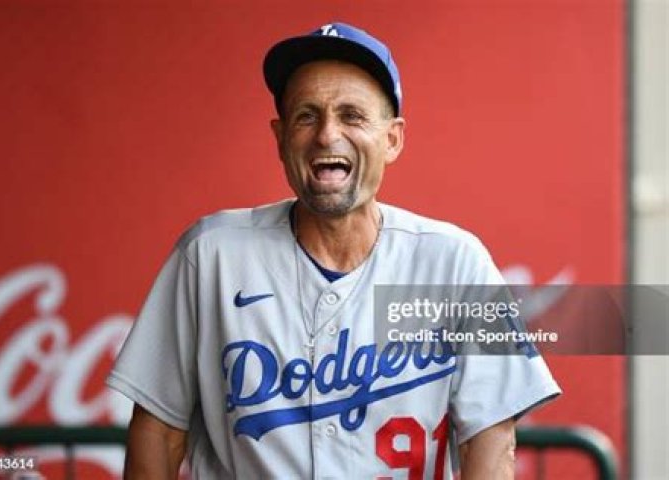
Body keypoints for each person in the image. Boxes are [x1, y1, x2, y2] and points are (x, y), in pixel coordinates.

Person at [107, 22, 561, 479]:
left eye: (352, 115)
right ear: (280, 138)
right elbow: (158, 433)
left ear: (392, 139)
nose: (326, 134)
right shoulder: (210, 255)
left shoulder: (457, 263)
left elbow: (491, 440)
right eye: (306, 116)